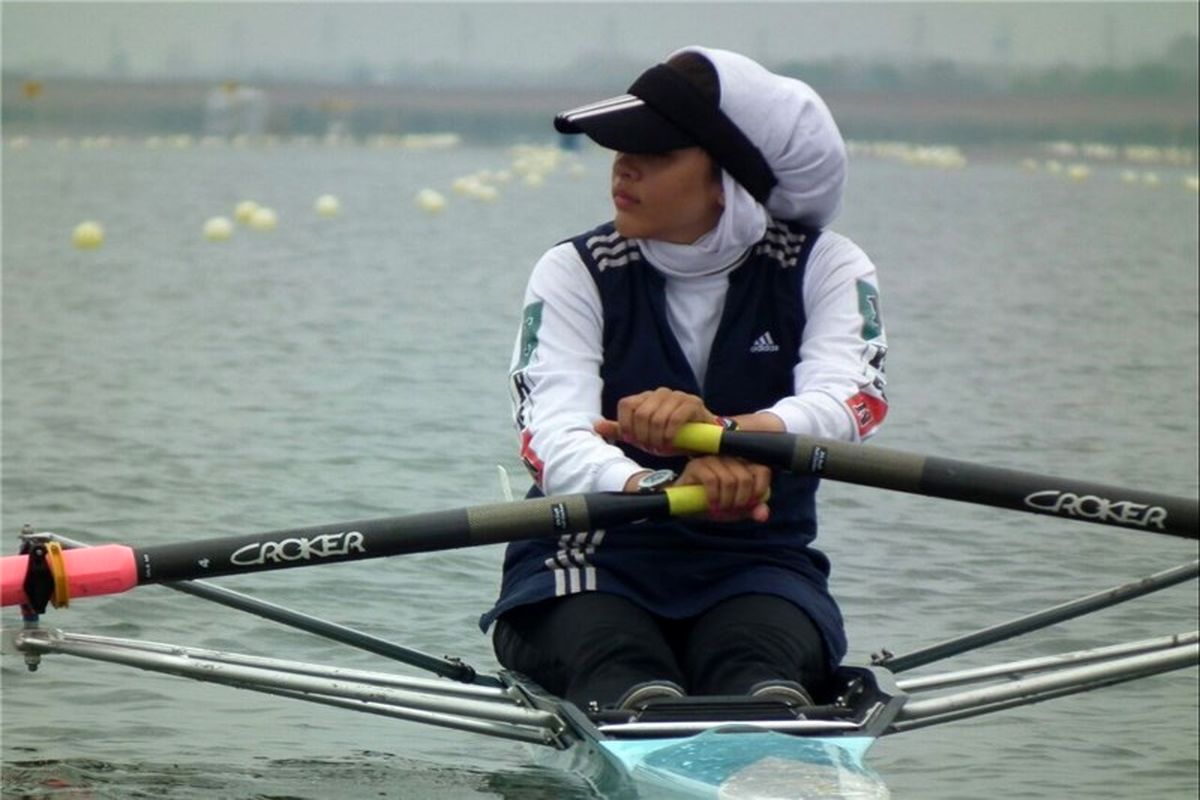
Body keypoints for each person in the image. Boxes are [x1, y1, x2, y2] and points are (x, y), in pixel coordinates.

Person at [478, 46, 888, 714]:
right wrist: (662, 485)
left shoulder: (826, 267)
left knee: (763, 677)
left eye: (659, 154)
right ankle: (646, 711)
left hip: (758, 566)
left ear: (728, 178)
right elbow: (550, 436)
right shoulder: (574, 271)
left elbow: (852, 399)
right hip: (589, 563)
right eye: (620, 150)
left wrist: (733, 439)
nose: (623, 169)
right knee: (627, 674)